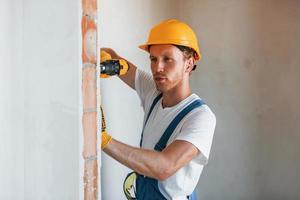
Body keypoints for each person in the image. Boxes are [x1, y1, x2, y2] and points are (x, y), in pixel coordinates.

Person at [101, 19, 216, 200]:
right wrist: (107, 59)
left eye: (167, 59)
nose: (157, 68)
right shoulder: (154, 92)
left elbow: (165, 167)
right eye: (153, 59)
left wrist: (103, 140)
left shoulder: (201, 117)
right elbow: (125, 68)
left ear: (188, 63)